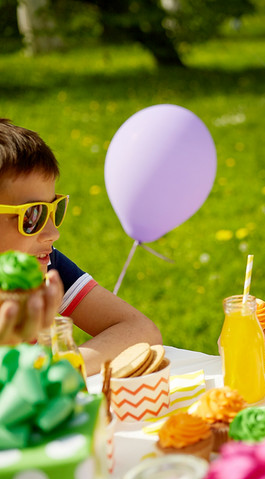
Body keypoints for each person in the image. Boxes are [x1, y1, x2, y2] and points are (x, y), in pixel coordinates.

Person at [0, 118, 162, 375]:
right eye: (33, 215)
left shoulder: (46, 264)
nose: (53, 233)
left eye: (56, 209)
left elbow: (140, 330)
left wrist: (59, 369)